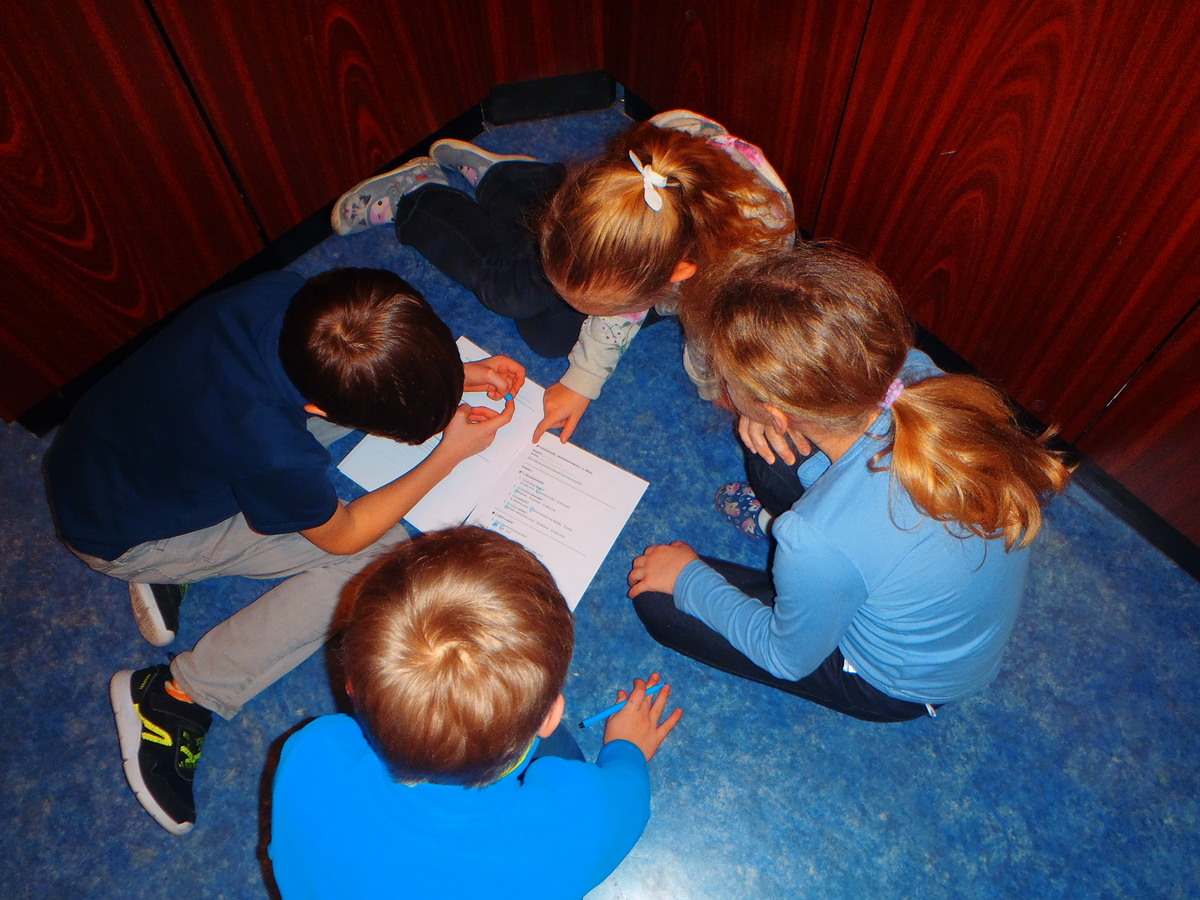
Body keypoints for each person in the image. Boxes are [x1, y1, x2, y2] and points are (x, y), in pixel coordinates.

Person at [44, 267, 526, 834]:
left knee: (325, 453)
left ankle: (184, 564)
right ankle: (177, 696)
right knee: (383, 563)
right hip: (123, 537)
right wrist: (448, 454)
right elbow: (345, 535)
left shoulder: (303, 301)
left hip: (111, 462)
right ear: (316, 407)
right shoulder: (269, 446)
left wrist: (446, 378)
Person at [626, 244, 1072, 723]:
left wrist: (687, 578)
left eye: (730, 382)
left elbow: (785, 658)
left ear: (780, 409)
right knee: (772, 458)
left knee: (658, 600)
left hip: (896, 683)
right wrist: (767, 415)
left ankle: (815, 572)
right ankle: (819, 571)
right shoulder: (913, 371)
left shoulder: (818, 538)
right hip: (930, 607)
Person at [332, 109, 794, 443]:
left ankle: (502, 181)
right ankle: (424, 195)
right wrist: (583, 377)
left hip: (675, 260)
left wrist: (720, 387)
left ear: (676, 274)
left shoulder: (744, 274)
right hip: (627, 227)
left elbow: (709, 339)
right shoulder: (626, 196)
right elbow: (623, 299)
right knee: (509, 292)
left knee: (549, 334)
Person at [269, 526, 682, 899]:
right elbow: (628, 802)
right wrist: (627, 748)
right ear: (550, 716)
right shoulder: (567, 834)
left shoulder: (313, 750)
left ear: (351, 688)